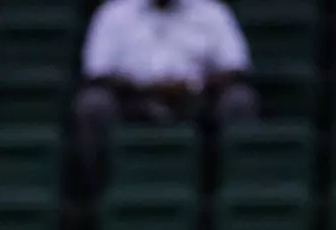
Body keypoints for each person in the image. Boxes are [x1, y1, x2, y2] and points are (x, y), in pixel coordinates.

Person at [74, 0, 257, 186]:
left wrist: (194, 87)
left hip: (196, 100)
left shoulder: (212, 11)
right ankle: (94, 190)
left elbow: (235, 67)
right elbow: (96, 72)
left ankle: (228, 187)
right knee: (93, 104)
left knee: (239, 99)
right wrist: (147, 89)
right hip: (132, 101)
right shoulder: (113, 13)